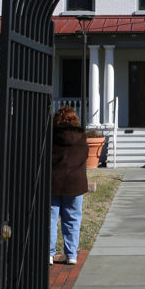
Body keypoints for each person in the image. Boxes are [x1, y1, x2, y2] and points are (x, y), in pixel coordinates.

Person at [50, 105, 89, 265]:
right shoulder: (81, 137)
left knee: (50, 219)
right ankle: (71, 254)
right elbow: (85, 156)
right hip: (75, 183)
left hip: (53, 183)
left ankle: (49, 253)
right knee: (72, 219)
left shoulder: (51, 137)